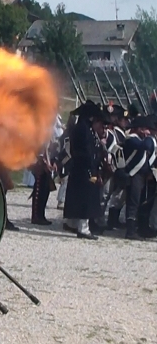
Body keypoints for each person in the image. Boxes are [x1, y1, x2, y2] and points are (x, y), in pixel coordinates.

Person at [62, 101, 109, 240]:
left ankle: (73, 224)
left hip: (83, 167)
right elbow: (87, 151)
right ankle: (83, 228)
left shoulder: (84, 128)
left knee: (80, 198)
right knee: (85, 200)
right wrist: (92, 168)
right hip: (84, 168)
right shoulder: (83, 129)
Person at [122, 116, 154, 241]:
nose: (147, 132)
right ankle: (130, 231)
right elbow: (144, 146)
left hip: (140, 175)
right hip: (133, 174)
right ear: (138, 129)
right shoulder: (131, 140)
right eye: (144, 129)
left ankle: (135, 228)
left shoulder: (139, 139)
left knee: (137, 201)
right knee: (132, 202)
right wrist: (150, 137)